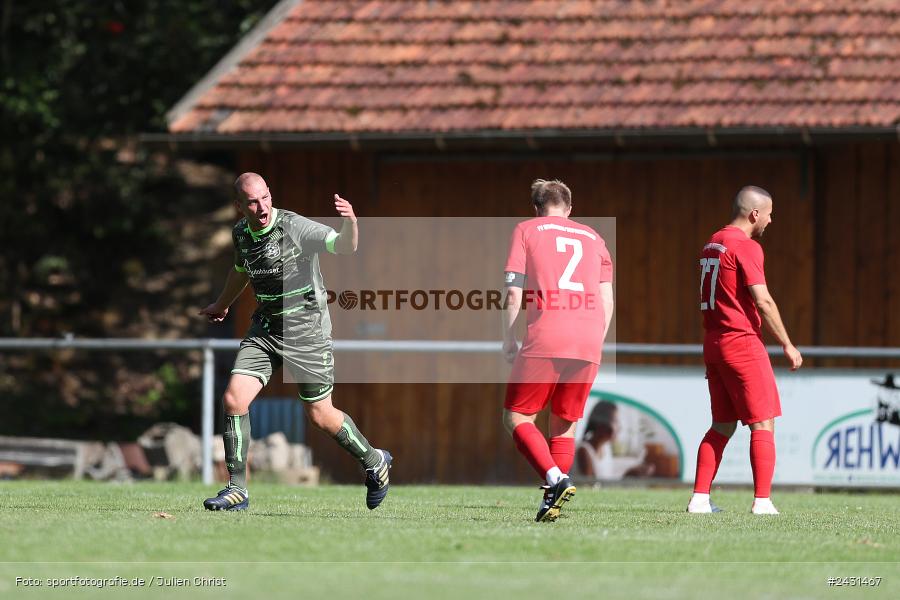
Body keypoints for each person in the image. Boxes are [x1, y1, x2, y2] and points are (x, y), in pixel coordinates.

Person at [199, 172, 391, 511]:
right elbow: (241, 270)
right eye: (252, 202)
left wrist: (350, 224)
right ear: (239, 206)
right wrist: (223, 303)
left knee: (320, 415)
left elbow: (343, 246)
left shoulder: (294, 227)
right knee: (233, 399)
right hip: (267, 329)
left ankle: (374, 461)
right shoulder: (241, 233)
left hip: (307, 332)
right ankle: (236, 489)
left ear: (270, 194)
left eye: (265, 198)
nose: (261, 207)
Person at [501, 179, 614, 522]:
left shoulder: (526, 229)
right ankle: (552, 501)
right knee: (564, 424)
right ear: (569, 209)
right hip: (589, 337)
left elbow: (512, 292)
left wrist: (508, 336)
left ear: (536, 208)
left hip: (548, 334)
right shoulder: (595, 239)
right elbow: (607, 299)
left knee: (517, 417)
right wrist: (597, 338)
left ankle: (555, 478)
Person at [687, 185, 802, 516]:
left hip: (714, 342)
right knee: (763, 423)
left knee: (722, 424)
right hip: (741, 341)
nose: (770, 220)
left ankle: (699, 498)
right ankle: (762, 502)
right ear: (754, 214)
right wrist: (787, 343)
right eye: (769, 214)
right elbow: (762, 299)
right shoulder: (745, 246)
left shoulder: (714, 242)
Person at [576, 400, 655, 480]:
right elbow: (591, 489)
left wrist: (629, 474)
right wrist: (626, 476)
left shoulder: (606, 447)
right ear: (601, 424)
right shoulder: (584, 451)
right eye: (615, 421)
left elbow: (605, 482)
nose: (619, 427)